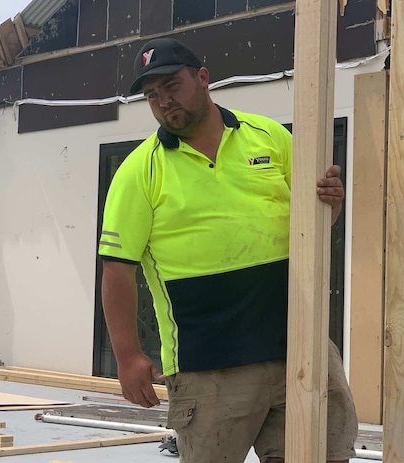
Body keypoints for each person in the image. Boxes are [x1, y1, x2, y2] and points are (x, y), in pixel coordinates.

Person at [98, 37, 358, 463]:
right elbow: (117, 269)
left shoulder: (270, 138)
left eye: (172, 86)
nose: (164, 101)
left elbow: (311, 228)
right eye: (152, 95)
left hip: (299, 347)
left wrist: (330, 204)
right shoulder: (139, 172)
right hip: (210, 367)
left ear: (203, 78)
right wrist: (127, 355)